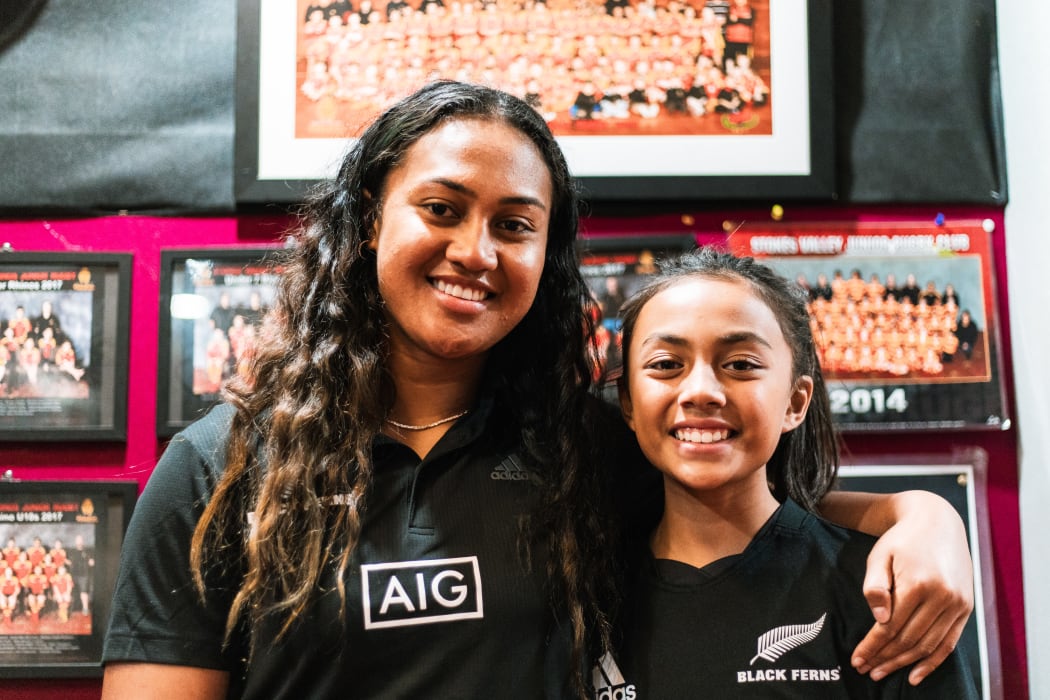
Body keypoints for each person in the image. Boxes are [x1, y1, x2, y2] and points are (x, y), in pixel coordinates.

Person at [101, 82, 973, 700]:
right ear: (371, 218)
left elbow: (768, 506)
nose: (476, 252)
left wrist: (924, 521)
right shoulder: (218, 469)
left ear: (543, 253)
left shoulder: (583, 446)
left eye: (514, 226)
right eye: (442, 209)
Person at [603, 248, 977, 697]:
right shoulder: (583, 593)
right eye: (666, 365)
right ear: (627, 401)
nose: (700, 391)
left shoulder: (880, 590)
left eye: (740, 364)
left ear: (796, 402)